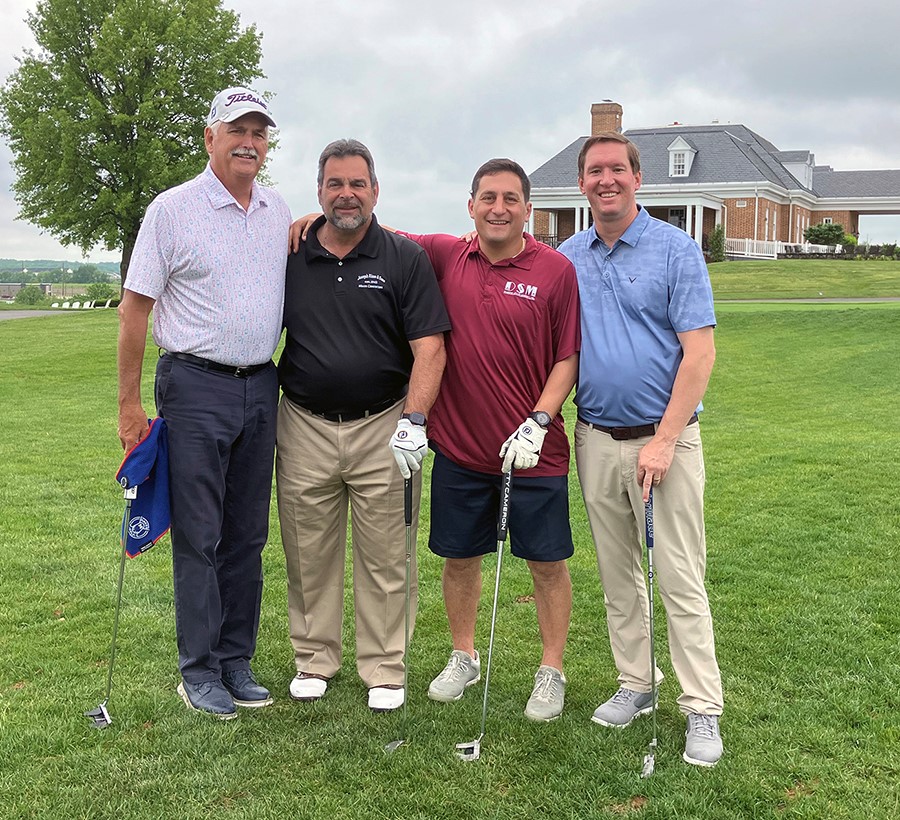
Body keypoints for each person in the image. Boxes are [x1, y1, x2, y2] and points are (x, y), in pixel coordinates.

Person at [117, 87, 291, 719]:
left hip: (259, 386)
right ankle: (198, 671)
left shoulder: (277, 210)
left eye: (259, 131)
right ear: (210, 136)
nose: (249, 140)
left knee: (247, 532)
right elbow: (135, 307)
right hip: (193, 385)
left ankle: (235, 660)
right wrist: (129, 406)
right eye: (237, 129)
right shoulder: (172, 209)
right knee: (200, 534)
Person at [557, 132, 724, 766]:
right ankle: (636, 684)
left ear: (637, 178)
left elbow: (699, 353)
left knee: (679, 576)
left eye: (617, 170)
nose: (607, 180)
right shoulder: (566, 256)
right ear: (581, 183)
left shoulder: (676, 251)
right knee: (618, 576)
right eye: (595, 171)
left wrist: (664, 438)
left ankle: (702, 707)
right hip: (595, 436)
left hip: (667, 443)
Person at [398, 159, 580, 721]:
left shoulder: (554, 270)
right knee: (459, 558)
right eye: (488, 197)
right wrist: (304, 220)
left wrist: (541, 419)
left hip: (533, 451)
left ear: (528, 208)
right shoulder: (448, 254)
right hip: (461, 448)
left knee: (546, 563)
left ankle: (551, 670)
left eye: (510, 198)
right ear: (470, 204)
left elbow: (567, 357)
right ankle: (463, 655)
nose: (498, 208)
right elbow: (372, 229)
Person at [277, 139, 449, 712]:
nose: (346, 194)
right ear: (319, 191)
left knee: (386, 554)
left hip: (384, 425)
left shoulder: (402, 257)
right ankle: (314, 659)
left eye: (357, 184)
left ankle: (384, 668)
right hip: (303, 422)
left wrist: (414, 420)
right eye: (334, 184)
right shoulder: (291, 253)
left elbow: (430, 347)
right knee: (308, 552)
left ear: (375, 190)